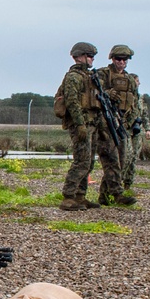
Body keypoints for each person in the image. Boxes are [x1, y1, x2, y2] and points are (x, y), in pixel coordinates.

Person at [54, 42, 121, 210]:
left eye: (92, 57)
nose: (92, 59)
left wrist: (100, 128)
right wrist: (80, 124)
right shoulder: (74, 77)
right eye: (89, 56)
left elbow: (95, 103)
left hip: (92, 124)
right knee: (81, 161)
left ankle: (80, 196)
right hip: (81, 125)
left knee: (89, 162)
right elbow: (72, 102)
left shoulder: (90, 77)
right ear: (79, 56)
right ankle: (68, 196)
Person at [95, 46, 140, 204]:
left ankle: (104, 195)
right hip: (105, 123)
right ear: (112, 59)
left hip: (122, 123)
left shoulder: (129, 80)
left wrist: (128, 122)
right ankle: (117, 195)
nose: (121, 62)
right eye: (118, 59)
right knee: (111, 159)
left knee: (122, 160)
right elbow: (94, 92)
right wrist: (106, 93)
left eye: (124, 60)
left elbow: (135, 103)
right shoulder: (103, 74)